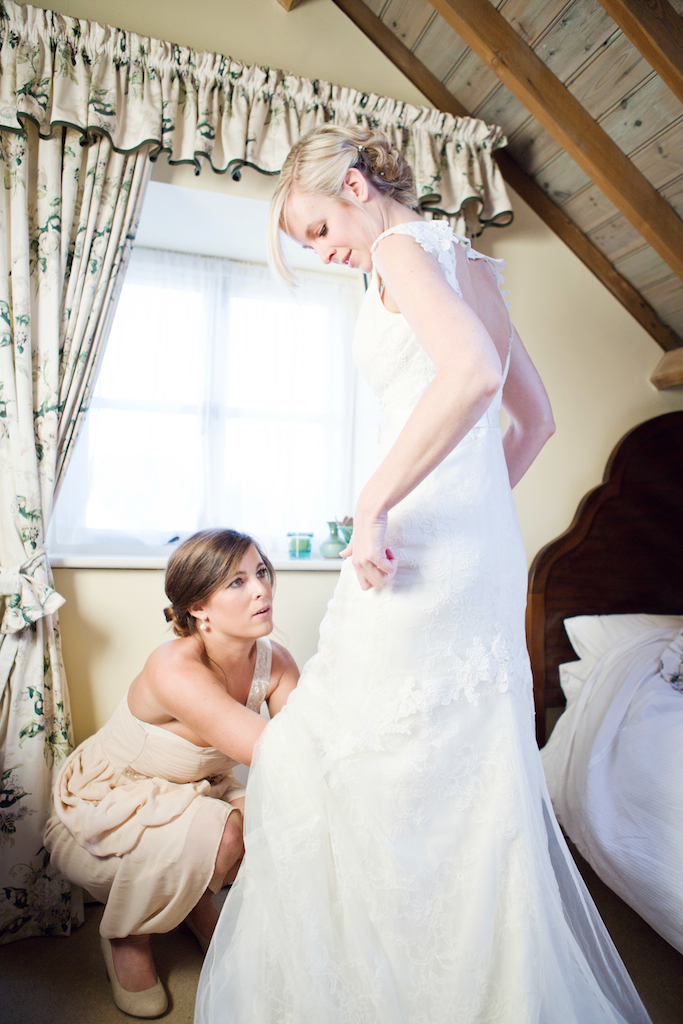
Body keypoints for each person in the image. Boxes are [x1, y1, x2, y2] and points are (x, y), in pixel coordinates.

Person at [195, 125, 652, 1024]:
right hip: (464, 549)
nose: (325, 251)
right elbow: (535, 422)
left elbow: (472, 374)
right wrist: (462, 508)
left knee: (362, 753)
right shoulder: (470, 262)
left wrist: (374, 503)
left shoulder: (401, 248)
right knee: (449, 763)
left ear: (355, 188)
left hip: (422, 552)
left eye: (319, 229)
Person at [44, 529, 298, 1019]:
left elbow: (302, 752)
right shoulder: (173, 667)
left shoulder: (276, 662)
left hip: (199, 791)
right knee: (231, 832)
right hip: (113, 800)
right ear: (199, 608)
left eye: (261, 572)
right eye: (237, 582)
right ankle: (127, 936)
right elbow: (280, 753)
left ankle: (191, 902)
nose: (261, 589)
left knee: (278, 824)